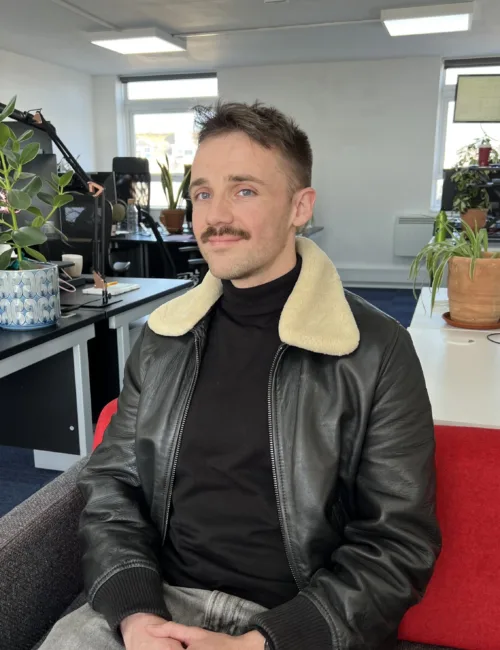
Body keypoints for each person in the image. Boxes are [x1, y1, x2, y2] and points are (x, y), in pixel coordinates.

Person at [41, 101, 441, 650]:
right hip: (159, 601)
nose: (216, 215)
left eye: (244, 190)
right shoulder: (163, 338)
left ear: (300, 207)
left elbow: (397, 543)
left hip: (296, 618)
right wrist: (135, 612)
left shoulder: (376, 350)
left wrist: (264, 642)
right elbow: (112, 487)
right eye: (203, 192)